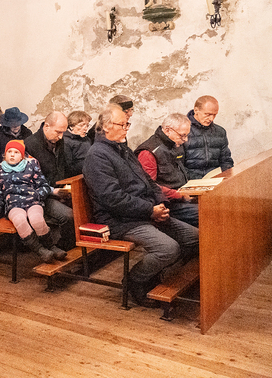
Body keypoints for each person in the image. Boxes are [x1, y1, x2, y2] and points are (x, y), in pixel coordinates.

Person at [83, 105, 199, 307]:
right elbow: (113, 198)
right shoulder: (97, 156)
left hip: (143, 213)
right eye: (122, 124)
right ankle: (134, 281)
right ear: (107, 126)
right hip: (119, 220)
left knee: (194, 237)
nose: (126, 128)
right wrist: (150, 210)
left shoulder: (122, 149)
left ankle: (156, 274)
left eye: (127, 124)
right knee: (168, 248)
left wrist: (161, 203)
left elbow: (149, 182)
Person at [0, 140, 66, 263]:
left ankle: (51, 247)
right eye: (9, 152)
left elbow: (44, 186)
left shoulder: (31, 165)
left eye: (16, 152)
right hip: (13, 205)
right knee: (20, 220)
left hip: (32, 202)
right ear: (5, 154)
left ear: (22, 156)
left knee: (36, 219)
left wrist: (36, 195)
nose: (12, 155)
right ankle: (40, 250)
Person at [135, 113, 199, 227]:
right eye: (182, 135)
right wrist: (178, 194)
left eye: (187, 135)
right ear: (168, 130)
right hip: (169, 203)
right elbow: (149, 187)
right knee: (207, 212)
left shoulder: (174, 144)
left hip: (182, 196)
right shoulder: (148, 152)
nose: (185, 140)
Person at [24, 110, 76, 250]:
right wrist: (53, 192)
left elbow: (63, 166)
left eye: (63, 132)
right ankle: (64, 247)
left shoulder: (59, 141)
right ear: (46, 126)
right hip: (41, 197)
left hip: (59, 189)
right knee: (69, 216)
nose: (61, 136)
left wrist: (67, 187)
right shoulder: (30, 145)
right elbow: (29, 182)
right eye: (58, 132)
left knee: (85, 205)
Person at [183, 95, 234, 180]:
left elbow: (226, 160)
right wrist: (196, 180)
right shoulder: (182, 131)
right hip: (190, 181)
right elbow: (177, 166)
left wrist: (226, 178)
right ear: (196, 110)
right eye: (208, 114)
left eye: (214, 115)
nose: (211, 118)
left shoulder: (220, 132)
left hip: (215, 180)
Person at [63, 110, 92, 176]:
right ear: (71, 126)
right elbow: (68, 167)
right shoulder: (66, 141)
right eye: (81, 125)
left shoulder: (87, 139)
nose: (85, 128)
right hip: (76, 176)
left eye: (87, 125)